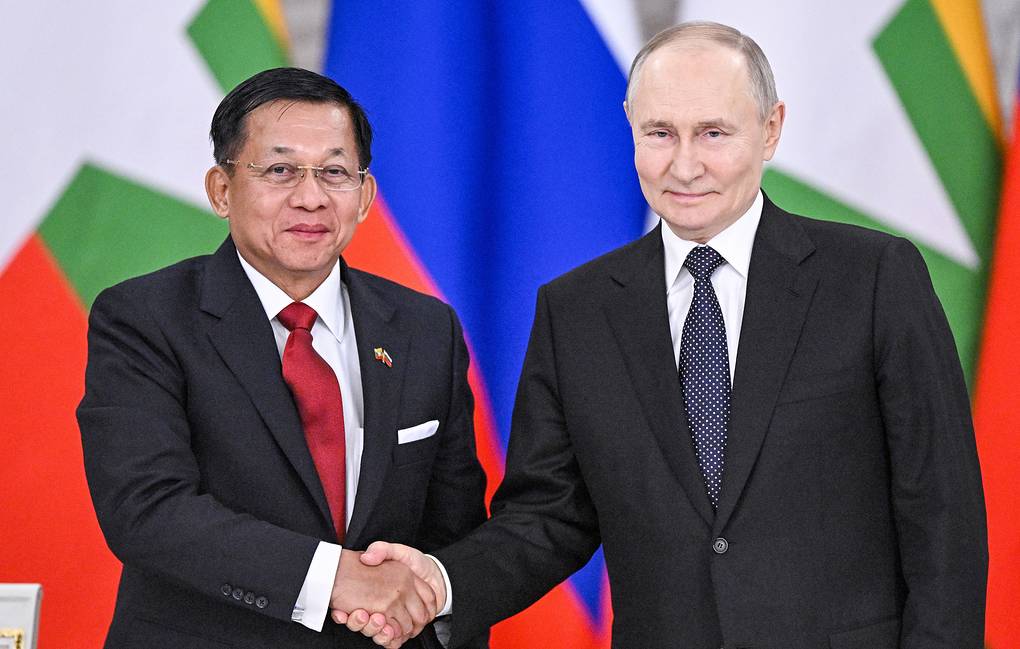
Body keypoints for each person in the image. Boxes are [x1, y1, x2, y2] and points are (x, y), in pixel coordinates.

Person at [342, 22, 988, 649]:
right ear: (630, 125)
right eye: (659, 133)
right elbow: (550, 514)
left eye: (713, 133)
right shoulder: (576, 310)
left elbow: (942, 510)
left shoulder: (872, 278)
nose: (684, 165)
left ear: (770, 129)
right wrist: (442, 581)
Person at [77, 67, 487, 649]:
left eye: (334, 173)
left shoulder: (426, 328)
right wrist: (333, 578)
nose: (311, 197)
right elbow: (147, 509)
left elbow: (454, 530)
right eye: (280, 170)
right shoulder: (145, 317)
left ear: (365, 197)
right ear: (222, 190)